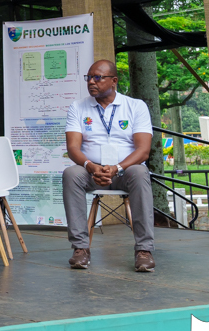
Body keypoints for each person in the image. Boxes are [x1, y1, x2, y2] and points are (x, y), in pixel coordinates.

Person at [63, 59, 156, 273]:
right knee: (71, 174)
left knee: (141, 171)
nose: (91, 82)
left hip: (125, 172)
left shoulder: (135, 106)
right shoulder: (78, 107)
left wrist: (117, 168)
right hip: (91, 172)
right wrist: (90, 166)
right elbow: (73, 148)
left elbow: (143, 150)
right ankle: (80, 248)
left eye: (98, 77)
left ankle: (144, 250)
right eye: (89, 78)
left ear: (114, 81)